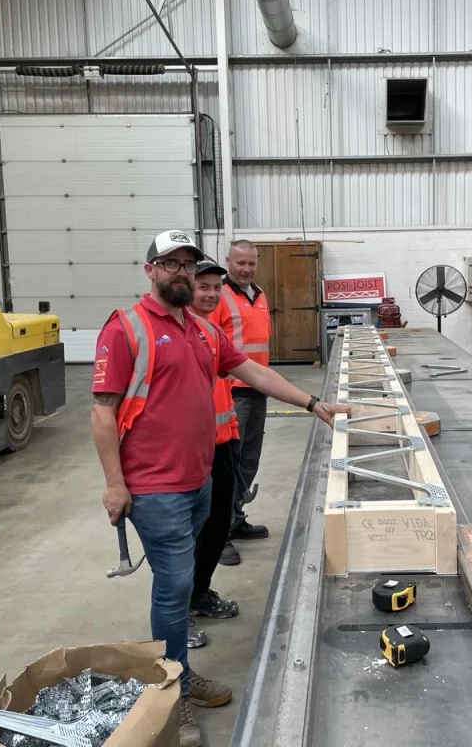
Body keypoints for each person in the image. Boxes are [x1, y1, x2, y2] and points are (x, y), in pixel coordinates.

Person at [90, 230, 347, 747]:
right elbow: (101, 410)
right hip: (153, 487)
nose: (181, 273)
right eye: (170, 264)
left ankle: (179, 674)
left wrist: (311, 403)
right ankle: (171, 695)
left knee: (186, 580)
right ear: (150, 271)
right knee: (175, 586)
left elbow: (250, 369)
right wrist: (115, 484)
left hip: (199, 478)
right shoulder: (127, 329)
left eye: (187, 264)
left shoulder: (202, 330)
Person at [186, 257, 242, 649]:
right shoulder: (174, 333)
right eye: (202, 286)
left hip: (222, 442)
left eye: (215, 287)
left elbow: (239, 378)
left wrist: (233, 433)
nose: (210, 293)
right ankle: (179, 613)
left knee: (219, 525)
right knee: (187, 535)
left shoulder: (210, 333)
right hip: (190, 451)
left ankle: (200, 592)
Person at [210, 240, 270, 567]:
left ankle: (234, 517)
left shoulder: (259, 295)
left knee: (249, 459)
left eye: (251, 263)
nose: (246, 269)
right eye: (240, 263)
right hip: (231, 390)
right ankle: (218, 536)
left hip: (257, 388)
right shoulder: (219, 296)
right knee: (228, 463)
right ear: (228, 262)